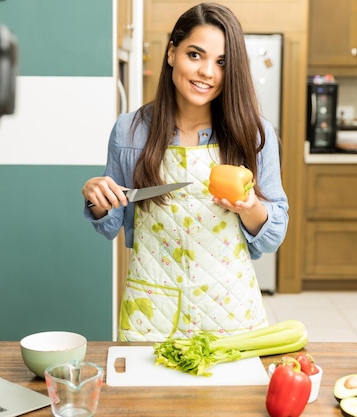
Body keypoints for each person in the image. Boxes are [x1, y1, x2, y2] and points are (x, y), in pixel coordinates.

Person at [82, 2, 288, 342]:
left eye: (221, 62)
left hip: (231, 312)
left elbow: (273, 234)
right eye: (196, 55)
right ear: (171, 53)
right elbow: (109, 224)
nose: (208, 71)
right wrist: (97, 198)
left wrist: (250, 206)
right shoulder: (130, 131)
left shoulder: (252, 134)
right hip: (153, 311)